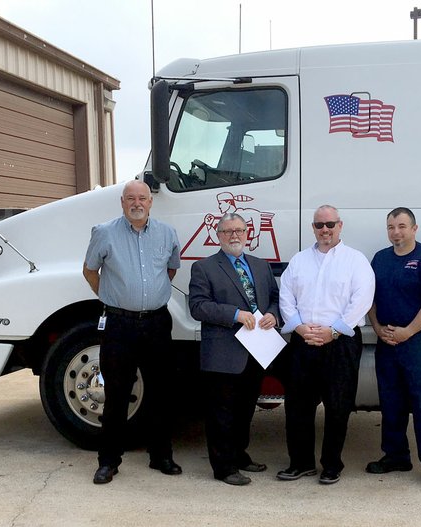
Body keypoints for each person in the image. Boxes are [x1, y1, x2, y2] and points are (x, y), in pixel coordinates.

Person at [82, 179, 181, 485]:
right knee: (116, 394)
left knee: (161, 392)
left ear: (151, 203)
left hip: (156, 323)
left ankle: (161, 455)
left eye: (143, 198)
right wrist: (112, 298)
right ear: (122, 203)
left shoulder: (167, 233)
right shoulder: (104, 233)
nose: (137, 203)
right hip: (118, 325)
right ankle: (108, 461)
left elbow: (171, 269)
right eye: (131, 198)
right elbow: (89, 270)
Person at [278, 205, 375, 485]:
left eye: (330, 224)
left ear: (340, 226)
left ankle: (332, 465)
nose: (325, 230)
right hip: (303, 341)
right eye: (319, 225)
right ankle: (301, 463)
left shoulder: (356, 261)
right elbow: (286, 297)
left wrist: (334, 331)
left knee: (338, 406)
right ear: (313, 228)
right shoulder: (299, 261)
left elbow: (362, 300)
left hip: (340, 343)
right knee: (297, 406)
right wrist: (299, 327)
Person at [188, 213, 280, 486]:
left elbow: (275, 298)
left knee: (245, 410)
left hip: (256, 351)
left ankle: (240, 455)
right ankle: (224, 468)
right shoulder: (204, 267)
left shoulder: (260, 266)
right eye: (228, 231)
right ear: (218, 235)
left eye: (239, 230)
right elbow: (197, 306)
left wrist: (274, 315)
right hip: (223, 354)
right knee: (221, 414)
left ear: (247, 233)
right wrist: (235, 314)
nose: (234, 235)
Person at [366, 207, 421, 490]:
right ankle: (396, 456)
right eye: (391, 227)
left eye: (402, 226)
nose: (396, 232)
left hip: (419, 343)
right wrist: (378, 328)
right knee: (391, 403)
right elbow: (370, 298)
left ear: (414, 229)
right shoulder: (380, 259)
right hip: (388, 341)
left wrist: (408, 332)